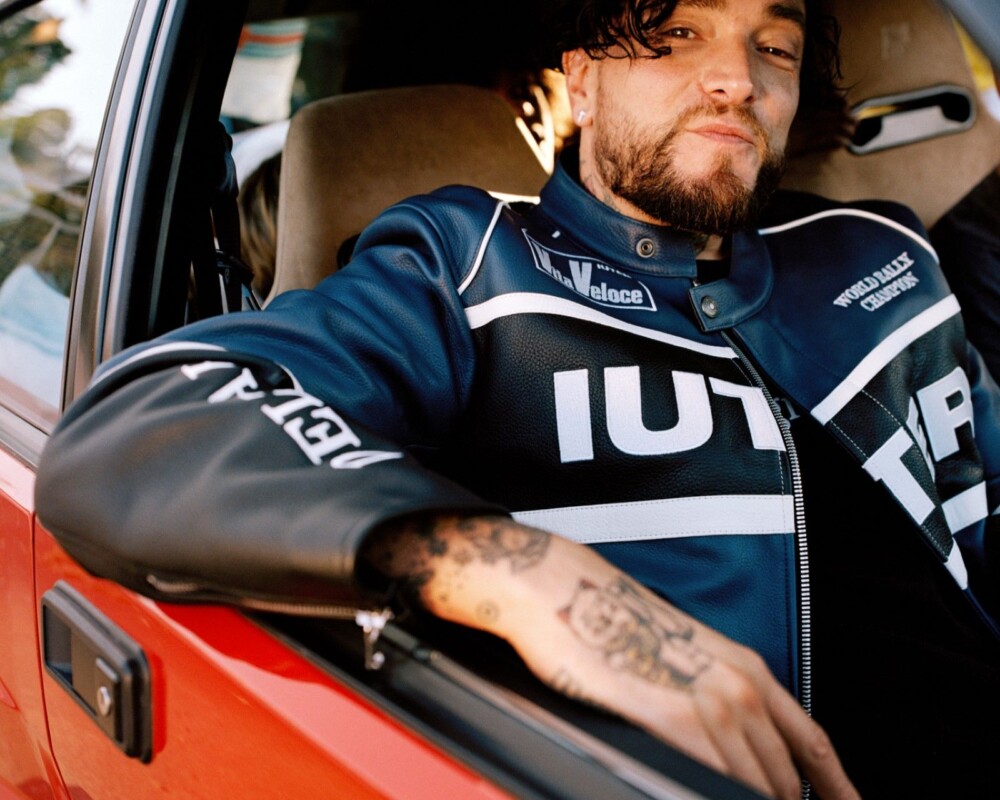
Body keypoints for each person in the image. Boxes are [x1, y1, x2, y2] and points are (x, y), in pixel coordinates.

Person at [34, 0, 1000, 798]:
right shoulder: (464, 267)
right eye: (676, 35)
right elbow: (146, 423)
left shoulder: (885, 253)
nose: (738, 80)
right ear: (581, 78)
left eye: (774, 47)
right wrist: (535, 577)